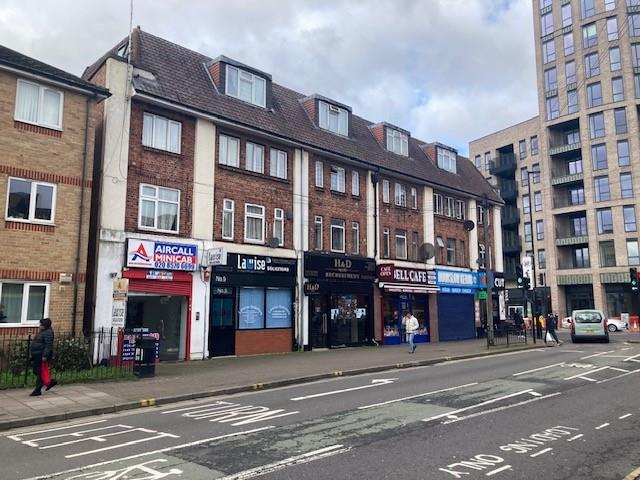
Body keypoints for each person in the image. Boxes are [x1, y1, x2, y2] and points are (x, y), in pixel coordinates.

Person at [29, 318, 56, 396]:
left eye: (41, 325)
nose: (39, 326)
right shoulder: (43, 331)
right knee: (35, 371)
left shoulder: (48, 333)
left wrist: (45, 356)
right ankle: (50, 382)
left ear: (45, 326)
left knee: (40, 372)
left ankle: (37, 390)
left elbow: (48, 346)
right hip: (36, 354)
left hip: (41, 355)